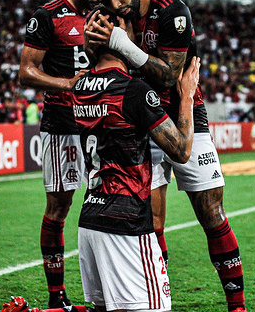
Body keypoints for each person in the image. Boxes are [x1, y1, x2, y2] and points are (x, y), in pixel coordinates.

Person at [85, 0, 246, 312]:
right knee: (151, 221)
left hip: (187, 114)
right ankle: (156, 298)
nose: (115, 4)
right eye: (107, 1)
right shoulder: (114, 15)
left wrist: (123, 45)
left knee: (212, 214)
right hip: (143, 120)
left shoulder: (171, 10)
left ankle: (237, 306)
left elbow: (170, 77)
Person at [72, 36, 200, 312]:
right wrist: (187, 96)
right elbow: (181, 150)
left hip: (90, 219)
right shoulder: (133, 90)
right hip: (126, 221)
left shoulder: (79, 87)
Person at [18, 0, 107, 309]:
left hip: (101, 126)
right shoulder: (48, 16)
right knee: (59, 207)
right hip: (62, 126)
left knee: (106, 204)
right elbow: (26, 72)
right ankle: (57, 298)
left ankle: (104, 293)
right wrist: (67, 84)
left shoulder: (105, 15)